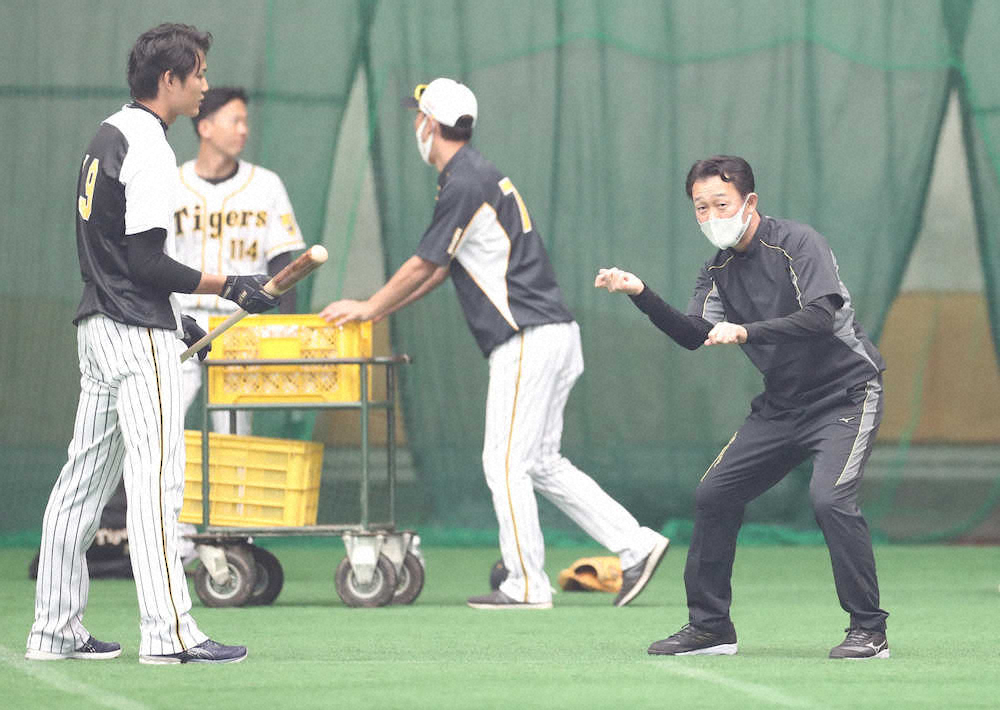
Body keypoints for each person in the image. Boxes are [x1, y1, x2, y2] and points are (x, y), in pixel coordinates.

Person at [320, 77, 669, 610]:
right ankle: (636, 545)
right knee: (541, 462)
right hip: (553, 334)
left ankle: (526, 584)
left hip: (527, 337)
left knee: (503, 463)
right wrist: (377, 310)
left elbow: (423, 264)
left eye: (418, 115)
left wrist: (368, 307)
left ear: (430, 125)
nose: (416, 123)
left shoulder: (464, 180)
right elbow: (438, 271)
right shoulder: (473, 176)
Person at [26, 23, 279, 665]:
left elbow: (114, 256)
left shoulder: (108, 133)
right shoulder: (153, 148)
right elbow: (144, 260)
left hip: (100, 329)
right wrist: (229, 287)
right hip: (136, 339)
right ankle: (170, 636)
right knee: (158, 487)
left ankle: (54, 630)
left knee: (80, 485)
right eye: (196, 74)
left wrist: (177, 317)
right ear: (168, 81)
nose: (203, 85)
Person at [595, 155, 889, 659]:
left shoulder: (799, 243)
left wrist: (748, 330)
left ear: (749, 202)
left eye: (721, 204)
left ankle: (869, 630)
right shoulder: (717, 269)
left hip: (847, 394)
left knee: (829, 501)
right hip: (781, 408)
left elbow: (821, 316)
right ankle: (710, 628)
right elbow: (694, 334)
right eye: (700, 208)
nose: (711, 216)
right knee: (714, 494)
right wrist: (640, 293)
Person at [174, 86, 305, 434]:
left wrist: (287, 327)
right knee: (160, 421)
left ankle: (236, 491)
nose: (244, 130)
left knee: (235, 433)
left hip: (240, 323)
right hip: (179, 322)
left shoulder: (266, 185)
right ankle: (135, 491)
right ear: (205, 127)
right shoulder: (171, 184)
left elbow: (283, 263)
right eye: (235, 121)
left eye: (246, 122)